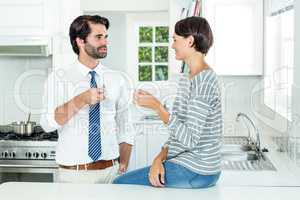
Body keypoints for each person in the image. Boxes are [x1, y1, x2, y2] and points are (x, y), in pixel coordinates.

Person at [113, 16, 222, 188]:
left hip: (197, 169)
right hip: (187, 164)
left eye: (175, 40)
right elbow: (179, 135)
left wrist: (157, 107)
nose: (172, 45)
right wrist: (159, 158)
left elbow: (189, 139)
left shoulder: (204, 81)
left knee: (120, 184)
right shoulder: (189, 78)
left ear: (190, 41)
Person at [40, 15, 134, 184]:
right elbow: (47, 124)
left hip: (111, 173)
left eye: (105, 37)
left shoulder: (117, 79)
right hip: (74, 176)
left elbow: (125, 126)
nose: (104, 42)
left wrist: (123, 164)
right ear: (80, 41)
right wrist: (81, 99)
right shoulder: (59, 79)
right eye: (98, 37)